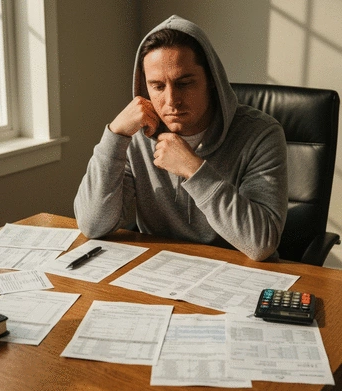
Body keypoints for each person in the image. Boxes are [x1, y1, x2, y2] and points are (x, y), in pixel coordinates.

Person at [74, 15, 288, 261]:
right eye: (157, 86)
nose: (171, 101)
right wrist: (115, 136)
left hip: (237, 272)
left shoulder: (262, 134)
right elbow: (92, 225)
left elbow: (261, 244)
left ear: (211, 81)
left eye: (184, 83)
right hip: (161, 271)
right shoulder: (135, 134)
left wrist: (193, 169)